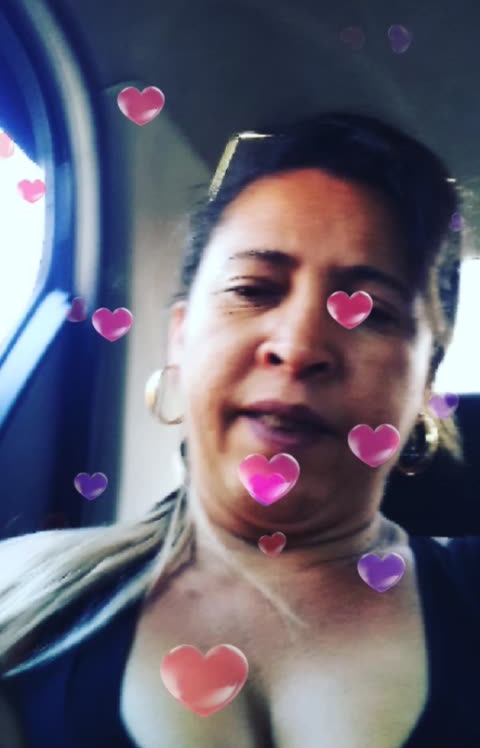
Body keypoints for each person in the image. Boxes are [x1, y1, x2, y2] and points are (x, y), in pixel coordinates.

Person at [0, 111, 477, 748]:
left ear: (424, 383)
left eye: (372, 313)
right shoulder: (20, 595)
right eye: (253, 289)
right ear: (180, 338)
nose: (299, 345)